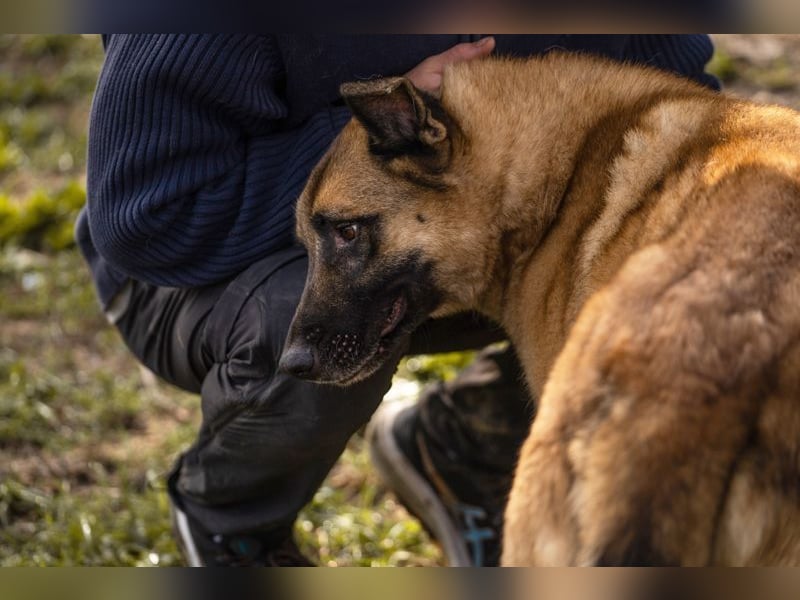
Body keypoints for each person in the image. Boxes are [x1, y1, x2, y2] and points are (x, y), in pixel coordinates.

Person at [78, 34, 719, 567]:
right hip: (185, 272)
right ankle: (233, 525)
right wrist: (371, 142)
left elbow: (679, 98)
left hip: (453, 210)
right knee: (294, 330)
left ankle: (464, 445)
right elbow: (147, 216)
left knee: (677, 261)